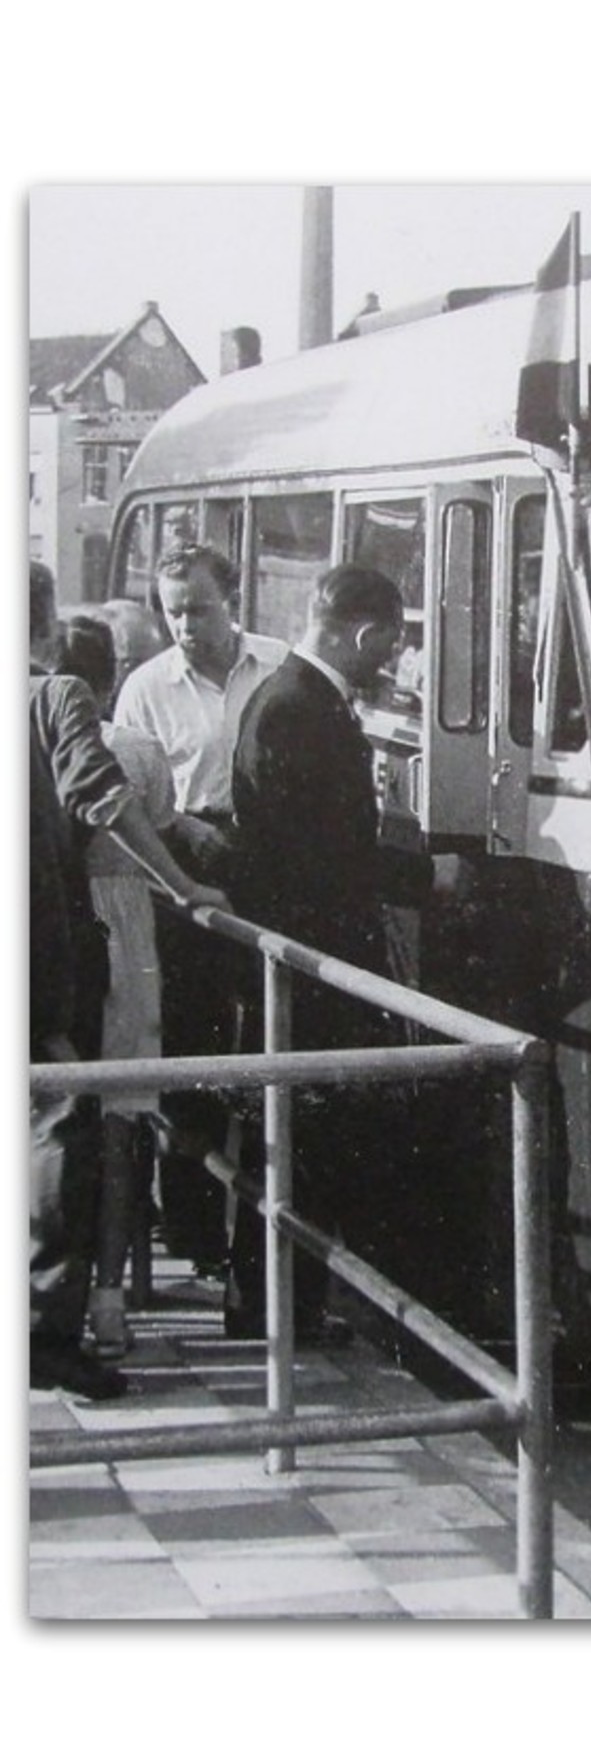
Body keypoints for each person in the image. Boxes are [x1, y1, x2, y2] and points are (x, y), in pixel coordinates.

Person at [225, 564, 468, 1340]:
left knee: (299, 1137)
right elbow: (326, 857)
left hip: (307, 952)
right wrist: (428, 876)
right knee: (305, 1137)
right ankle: (277, 1315)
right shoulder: (302, 710)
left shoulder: (293, 698)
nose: (388, 665)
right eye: (388, 647)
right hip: (314, 958)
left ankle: (278, 1308)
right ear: (364, 634)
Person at [28, 562, 226, 1399]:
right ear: (41, 620)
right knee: (58, 1124)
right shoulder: (54, 696)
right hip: (33, 953)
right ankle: (45, 1336)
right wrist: (183, 886)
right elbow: (100, 797)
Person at [114, 542, 289, 1279]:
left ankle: (263, 1230)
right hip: (186, 883)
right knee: (194, 1054)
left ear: (234, 601)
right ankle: (192, 1231)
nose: (185, 624)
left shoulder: (278, 668)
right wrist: (189, 840)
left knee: (271, 1051)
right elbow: (136, 804)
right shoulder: (145, 690)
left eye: (200, 608)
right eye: (172, 610)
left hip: (266, 872)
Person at [55, 613, 177, 1360]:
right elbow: (158, 828)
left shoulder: (34, 743)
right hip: (127, 932)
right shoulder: (138, 751)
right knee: (122, 1116)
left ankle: (49, 1286)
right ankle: (110, 1298)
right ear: (107, 683)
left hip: (56, 926)